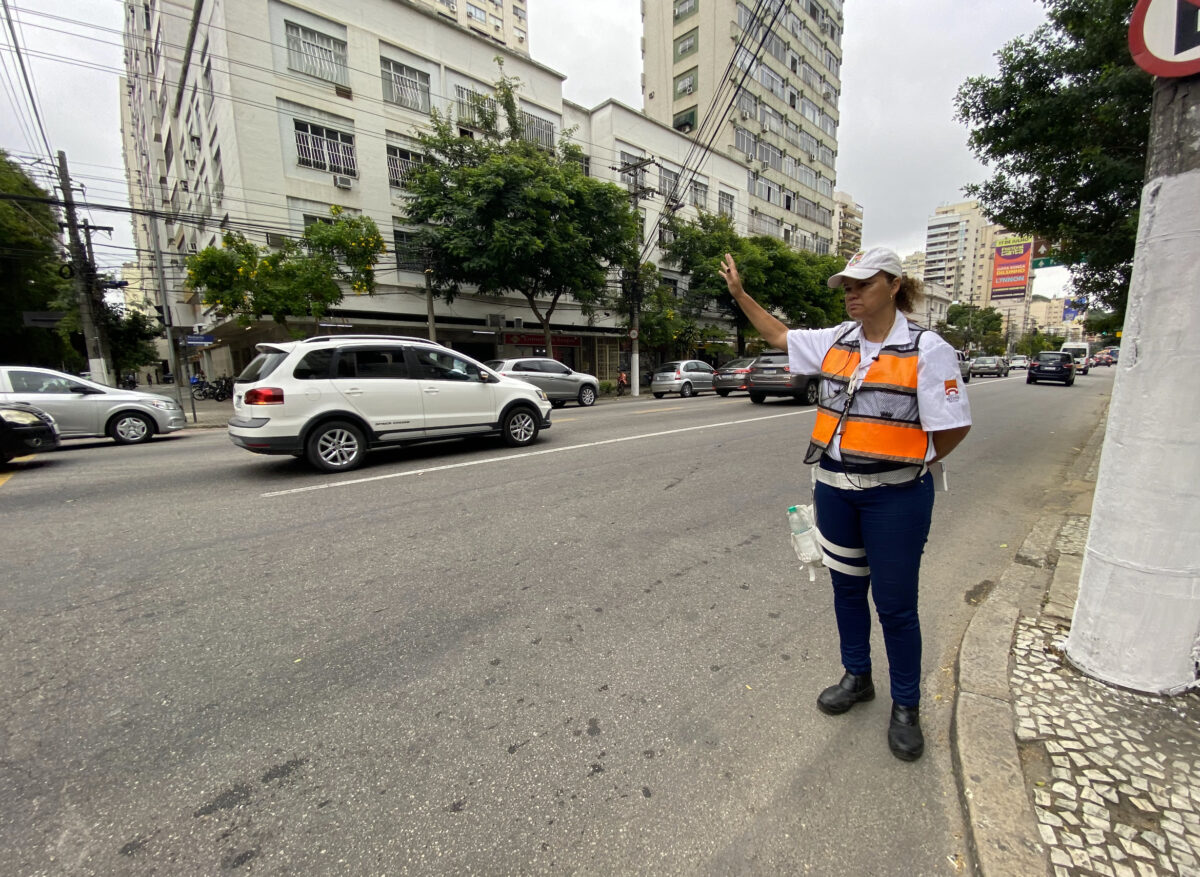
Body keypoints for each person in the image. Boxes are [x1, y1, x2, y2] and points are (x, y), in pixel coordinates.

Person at [719, 247, 971, 761]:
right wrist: (741, 295)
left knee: (896, 606)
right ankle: (858, 676)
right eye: (847, 287)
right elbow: (780, 336)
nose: (851, 295)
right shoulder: (838, 339)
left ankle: (906, 706)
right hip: (834, 489)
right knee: (847, 592)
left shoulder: (928, 349)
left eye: (863, 285)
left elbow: (953, 427)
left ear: (894, 285)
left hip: (896, 498)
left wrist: (902, 464)